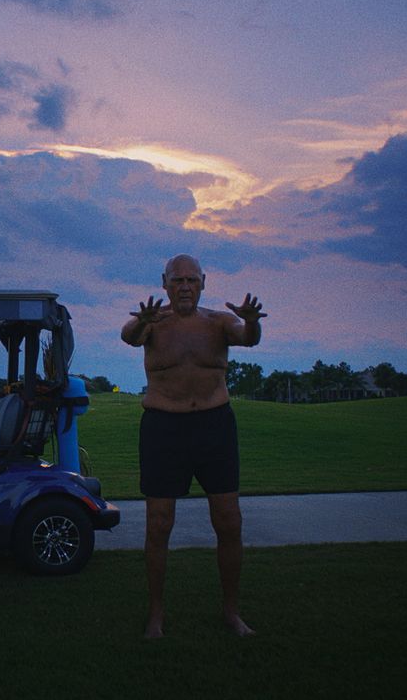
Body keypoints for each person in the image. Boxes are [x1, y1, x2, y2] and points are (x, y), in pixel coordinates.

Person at [121, 254, 266, 639]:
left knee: (229, 520)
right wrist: (142, 322)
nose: (184, 286)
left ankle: (231, 612)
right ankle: (156, 614)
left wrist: (251, 321)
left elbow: (247, 338)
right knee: (158, 524)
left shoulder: (218, 322)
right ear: (164, 283)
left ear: (203, 282)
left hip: (214, 426)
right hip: (163, 427)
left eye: (191, 280)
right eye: (177, 280)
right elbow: (128, 336)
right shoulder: (152, 324)